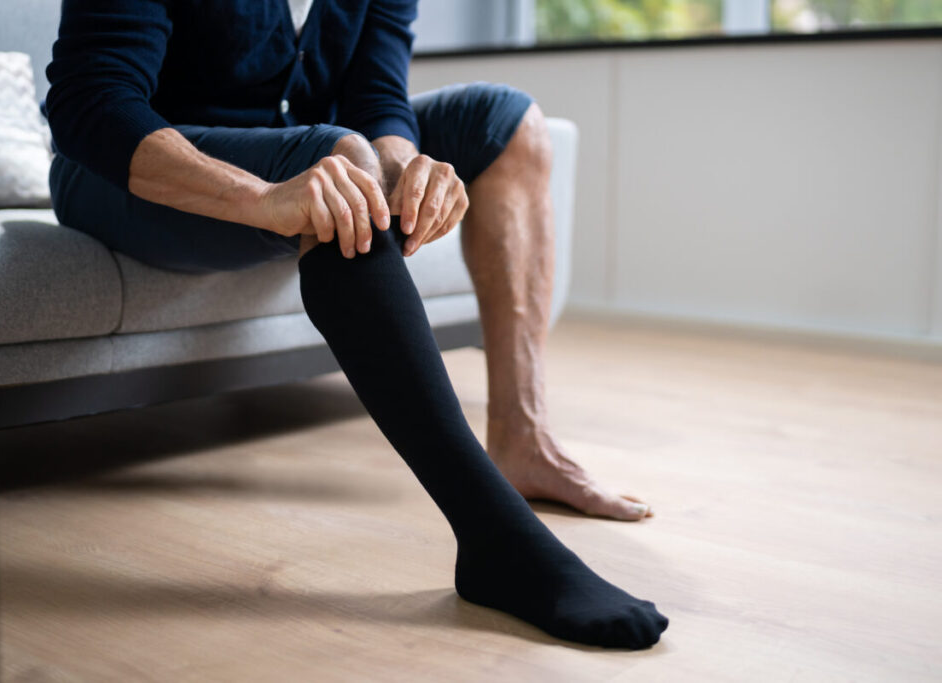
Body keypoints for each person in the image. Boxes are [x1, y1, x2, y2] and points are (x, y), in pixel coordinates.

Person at [44, 0, 668, 648]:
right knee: (336, 157)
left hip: (289, 142)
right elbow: (91, 104)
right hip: (122, 175)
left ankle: (523, 440)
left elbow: (375, 96)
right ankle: (494, 536)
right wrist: (264, 199)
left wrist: (407, 168)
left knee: (507, 121)